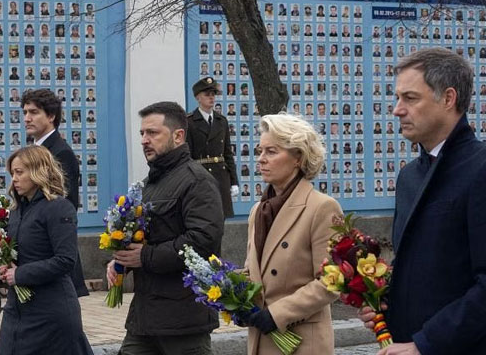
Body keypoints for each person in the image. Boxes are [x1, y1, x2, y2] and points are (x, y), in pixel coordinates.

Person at [359, 47, 486, 354]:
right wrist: (384, 301)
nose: (397, 109)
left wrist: (424, 345)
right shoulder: (409, 176)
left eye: (410, 98)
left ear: (448, 99)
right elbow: (420, 267)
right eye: (397, 97)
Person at [107, 101, 224, 355]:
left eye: (153, 133)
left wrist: (144, 257)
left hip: (183, 321)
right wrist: (121, 260)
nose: (144, 140)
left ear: (178, 136)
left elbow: (203, 241)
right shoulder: (149, 184)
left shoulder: (197, 181)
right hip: (145, 318)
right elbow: (147, 237)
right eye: (142, 134)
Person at [241, 113, 340, 354]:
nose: (261, 160)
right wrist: (224, 286)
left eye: (271, 152)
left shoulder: (321, 207)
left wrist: (278, 314)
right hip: (261, 339)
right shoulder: (258, 210)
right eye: (260, 151)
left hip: (301, 340)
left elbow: (332, 281)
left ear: (298, 157)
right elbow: (254, 272)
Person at [0, 146, 93, 355]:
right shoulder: (15, 211)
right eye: (12, 173)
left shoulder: (58, 208)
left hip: (51, 312)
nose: (14, 179)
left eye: (20, 172)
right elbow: (16, 253)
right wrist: (3, 267)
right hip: (17, 309)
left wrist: (20, 274)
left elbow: (66, 260)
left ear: (38, 171)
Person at [20, 89, 88, 298]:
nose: (27, 118)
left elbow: (63, 203)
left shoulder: (60, 153)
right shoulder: (33, 149)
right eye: (25, 112)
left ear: (51, 116)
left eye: (34, 112)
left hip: (49, 248)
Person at [186, 77, 238, 218]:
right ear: (198, 97)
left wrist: (234, 181)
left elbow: (227, 153)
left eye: (213, 94)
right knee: (203, 218)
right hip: (200, 176)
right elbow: (187, 156)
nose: (211, 98)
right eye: (207, 94)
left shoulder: (221, 121)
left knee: (220, 220)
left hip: (220, 177)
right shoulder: (189, 122)